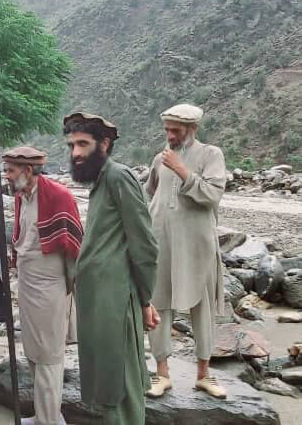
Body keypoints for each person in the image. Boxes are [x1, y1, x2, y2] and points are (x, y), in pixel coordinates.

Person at [63, 113, 160, 424]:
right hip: (100, 301)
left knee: (122, 384)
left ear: (104, 144)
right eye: (71, 145)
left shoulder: (119, 176)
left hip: (115, 300)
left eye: (83, 144)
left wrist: (144, 299)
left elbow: (144, 244)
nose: (75, 153)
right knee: (107, 380)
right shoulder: (101, 180)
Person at [144, 104, 228, 399]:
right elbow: (150, 195)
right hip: (161, 242)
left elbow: (212, 194)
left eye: (175, 131)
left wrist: (181, 170)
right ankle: (162, 373)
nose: (169, 135)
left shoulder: (210, 155)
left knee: (201, 305)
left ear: (192, 130)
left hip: (197, 244)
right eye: (167, 130)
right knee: (158, 302)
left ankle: (204, 374)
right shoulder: (158, 159)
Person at [4, 147, 82, 425]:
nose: (7, 176)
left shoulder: (59, 196)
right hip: (26, 283)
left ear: (27, 171)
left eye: (11, 171)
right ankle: (44, 417)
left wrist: (70, 294)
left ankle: (49, 422)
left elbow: (75, 246)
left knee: (49, 356)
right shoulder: (21, 196)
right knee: (34, 354)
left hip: (50, 286)